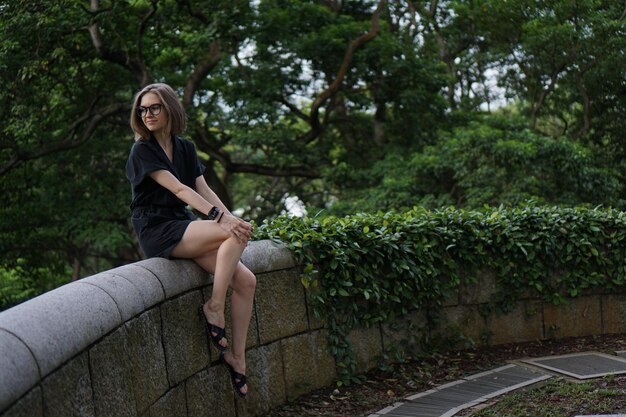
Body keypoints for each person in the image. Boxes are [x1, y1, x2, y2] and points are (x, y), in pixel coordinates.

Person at [125, 83, 255, 398]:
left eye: (154, 107)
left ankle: (237, 356)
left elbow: (202, 188)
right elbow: (180, 191)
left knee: (248, 281)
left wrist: (231, 217)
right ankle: (214, 306)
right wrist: (223, 220)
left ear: (169, 109)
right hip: (157, 229)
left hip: (183, 224)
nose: (148, 114)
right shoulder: (142, 150)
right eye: (143, 109)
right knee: (229, 231)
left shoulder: (185, 147)